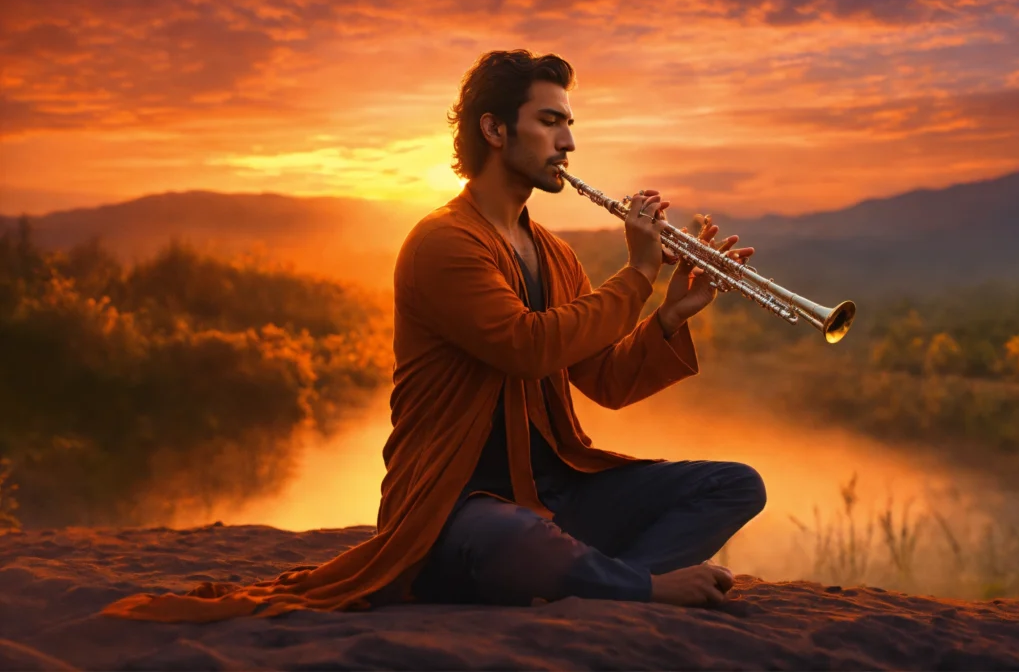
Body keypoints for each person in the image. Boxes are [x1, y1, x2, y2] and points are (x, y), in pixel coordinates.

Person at [99, 49, 764, 623]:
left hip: (556, 496)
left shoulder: (555, 254)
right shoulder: (443, 243)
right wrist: (639, 272)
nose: (568, 143)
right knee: (516, 541)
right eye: (550, 121)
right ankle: (632, 584)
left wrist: (671, 315)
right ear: (495, 129)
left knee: (735, 485)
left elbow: (606, 381)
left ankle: (599, 585)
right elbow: (525, 345)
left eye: (570, 124)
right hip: (455, 506)